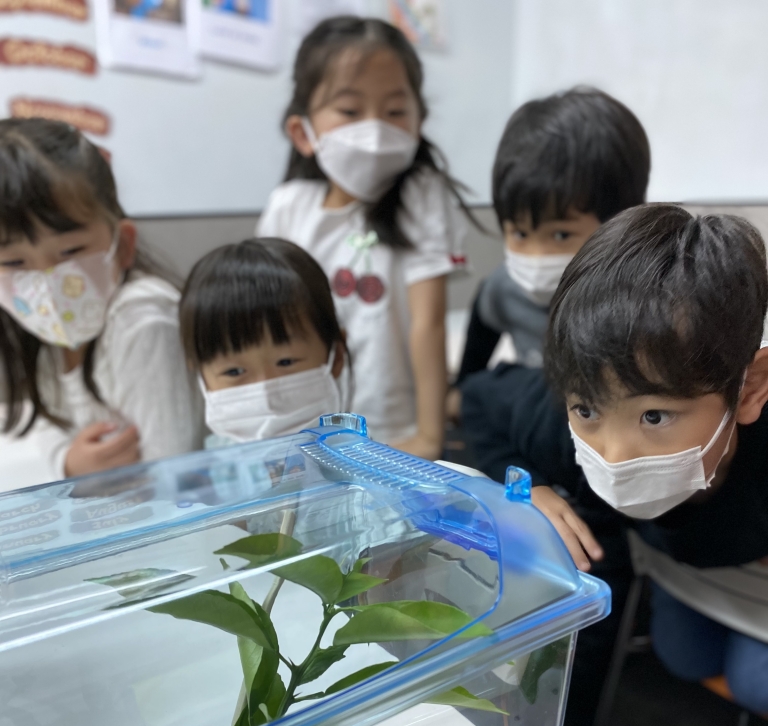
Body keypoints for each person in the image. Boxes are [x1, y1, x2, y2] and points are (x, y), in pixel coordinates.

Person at [465, 205, 768, 726]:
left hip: (747, 586)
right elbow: (480, 398)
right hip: (683, 578)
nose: (613, 455)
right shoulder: (569, 423)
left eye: (655, 416)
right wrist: (527, 488)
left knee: (755, 680)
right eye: (586, 410)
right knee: (683, 654)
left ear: (749, 389)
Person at [257, 15, 468, 460]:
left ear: (419, 121)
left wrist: (429, 435)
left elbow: (429, 323)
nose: (375, 130)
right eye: (350, 111)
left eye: (395, 112)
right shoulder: (288, 207)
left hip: (396, 428)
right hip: (308, 429)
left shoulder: (422, 194)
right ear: (302, 132)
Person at [0, 118, 202, 488]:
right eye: (14, 262)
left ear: (123, 245)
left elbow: (173, 476)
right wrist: (68, 462)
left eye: (70, 251)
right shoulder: (40, 331)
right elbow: (43, 423)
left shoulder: (143, 319)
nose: (45, 281)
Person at [455, 88, 649, 406]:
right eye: (520, 233)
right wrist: (462, 393)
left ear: (620, 222)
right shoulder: (504, 289)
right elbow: (475, 356)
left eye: (560, 235)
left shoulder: (647, 299)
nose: (535, 257)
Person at [180, 238, 350, 444]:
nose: (266, 392)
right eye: (234, 372)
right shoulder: (216, 459)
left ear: (337, 356)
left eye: (286, 362)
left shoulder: (360, 457)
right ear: (198, 371)